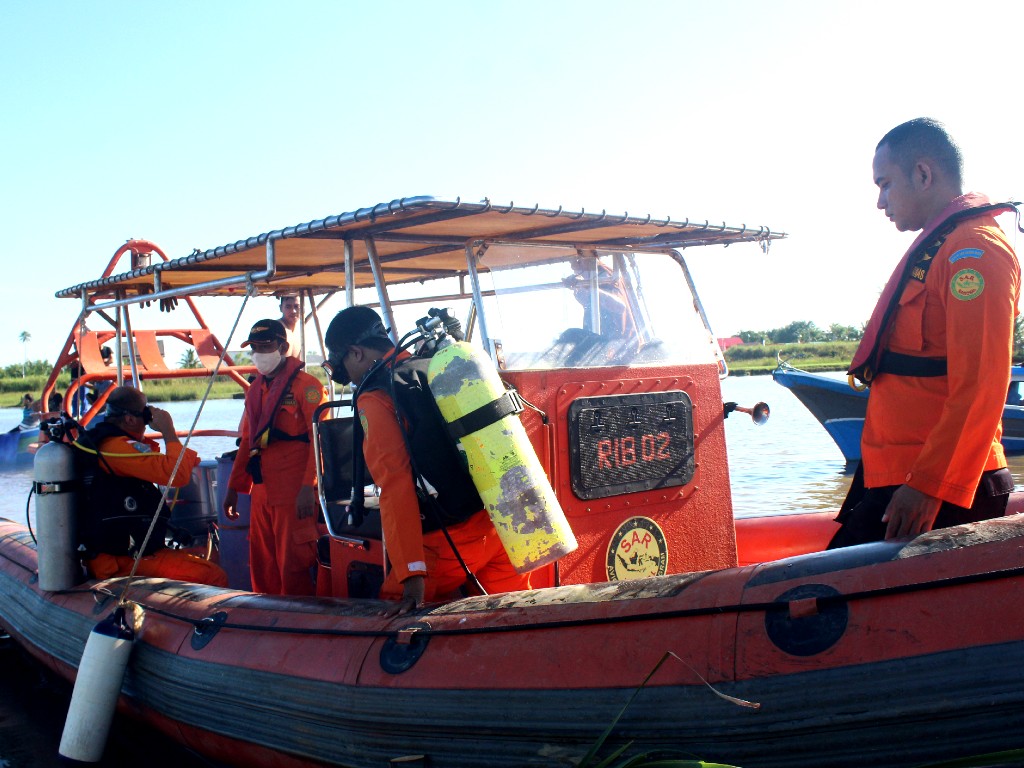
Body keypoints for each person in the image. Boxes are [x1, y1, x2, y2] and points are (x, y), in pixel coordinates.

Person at [829, 118, 1021, 548]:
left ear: (923, 174)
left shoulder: (975, 252)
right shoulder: (943, 247)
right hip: (899, 476)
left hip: (937, 488)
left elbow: (983, 385)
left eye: (885, 184)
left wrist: (930, 486)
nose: (881, 202)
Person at [323, 305, 530, 613]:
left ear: (355, 353)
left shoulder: (377, 397)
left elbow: (395, 487)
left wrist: (410, 574)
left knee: (391, 618)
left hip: (445, 547)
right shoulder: (437, 366)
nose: (350, 379)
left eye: (345, 367)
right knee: (515, 618)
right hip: (501, 529)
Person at [75, 386, 228, 586]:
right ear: (129, 419)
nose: (149, 418)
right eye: (145, 412)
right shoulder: (114, 448)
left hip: (133, 550)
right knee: (213, 575)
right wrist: (168, 431)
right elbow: (176, 475)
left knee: (210, 556)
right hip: (118, 560)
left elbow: (172, 464)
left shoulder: (114, 444)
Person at [224, 319, 327, 595]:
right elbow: (248, 440)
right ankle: (266, 618)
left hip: (294, 492)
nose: (259, 353)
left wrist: (309, 486)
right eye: (255, 347)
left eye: (265, 346)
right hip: (261, 492)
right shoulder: (256, 390)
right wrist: (234, 488)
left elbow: (320, 440)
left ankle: (301, 622)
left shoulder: (308, 386)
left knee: (292, 564)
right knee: (262, 564)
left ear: (282, 347)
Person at [563, 256, 637, 340]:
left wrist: (587, 285)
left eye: (578, 260)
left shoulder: (606, 276)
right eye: (571, 262)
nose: (573, 266)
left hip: (618, 344)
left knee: (571, 334)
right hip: (598, 340)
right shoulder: (592, 280)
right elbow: (586, 302)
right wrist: (578, 286)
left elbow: (619, 307)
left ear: (591, 258)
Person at [278, 293, 302, 359]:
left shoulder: (301, 328)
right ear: (281, 308)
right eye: (288, 307)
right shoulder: (276, 328)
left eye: (296, 306)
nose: (293, 311)